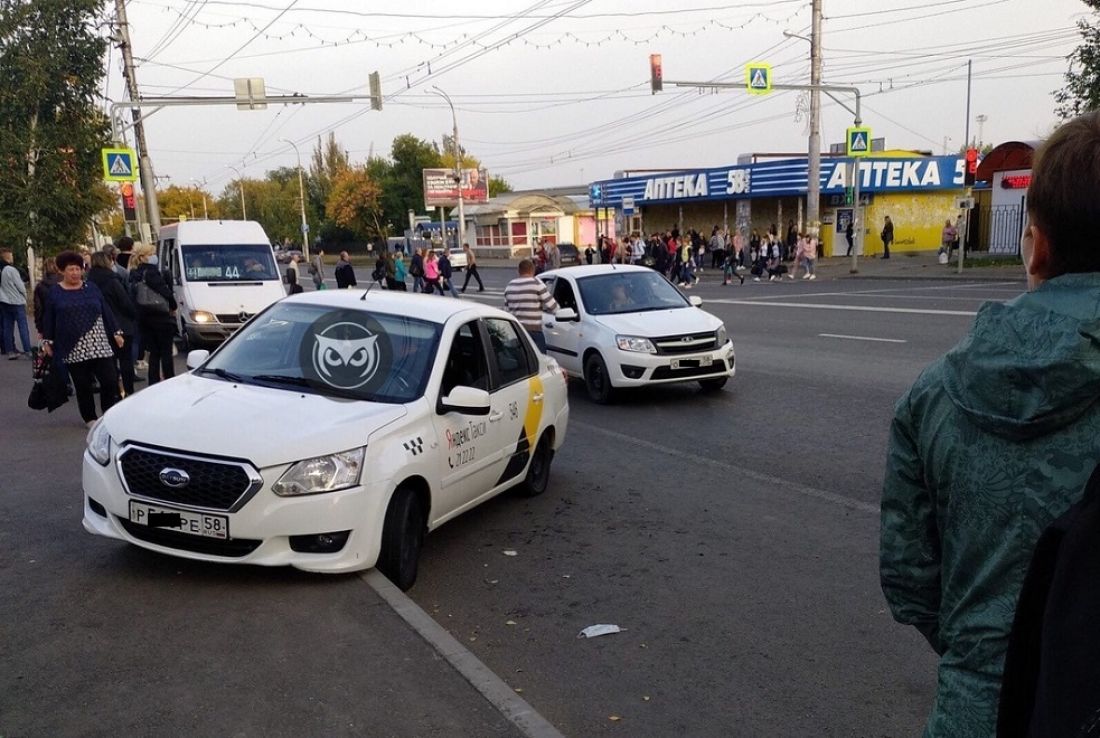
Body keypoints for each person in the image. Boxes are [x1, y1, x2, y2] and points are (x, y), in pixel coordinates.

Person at [880, 111, 1100, 738]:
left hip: (976, 711)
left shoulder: (931, 394)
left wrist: (984, 658)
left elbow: (908, 578)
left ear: (1038, 245)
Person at [41, 250, 125, 426]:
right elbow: (48, 317)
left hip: (99, 342)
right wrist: (47, 340)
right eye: (71, 269)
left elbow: (105, 310)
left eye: (78, 269)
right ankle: (90, 417)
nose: (75, 273)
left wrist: (116, 332)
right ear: (62, 271)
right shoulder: (55, 292)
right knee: (83, 384)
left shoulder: (91, 287)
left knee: (109, 380)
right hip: (72, 345)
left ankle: (107, 413)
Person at [87, 251, 138, 396]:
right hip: (121, 323)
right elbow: (125, 302)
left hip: (101, 327)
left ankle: (114, 390)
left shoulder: (89, 283)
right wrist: (133, 315)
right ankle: (128, 390)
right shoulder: (112, 280)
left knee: (109, 362)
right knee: (125, 360)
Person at [129, 245, 177, 385]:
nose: (154, 256)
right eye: (151, 254)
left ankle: (153, 381)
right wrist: (173, 306)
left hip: (144, 316)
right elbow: (164, 291)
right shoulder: (151, 272)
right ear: (143, 257)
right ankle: (169, 379)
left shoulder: (135, 273)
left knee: (153, 352)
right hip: (160, 316)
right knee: (166, 351)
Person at [503, 259, 558, 351]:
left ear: (519, 271)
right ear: (533, 270)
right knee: (540, 361)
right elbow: (553, 307)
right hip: (534, 332)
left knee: (520, 361)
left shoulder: (510, 286)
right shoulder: (537, 284)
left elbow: (506, 311)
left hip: (516, 331)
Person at [0, 247, 32, 359]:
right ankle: (28, 349)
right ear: (8, 257)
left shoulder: (2, 270)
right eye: (11, 255)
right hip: (16, 301)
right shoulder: (11, 270)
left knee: (8, 327)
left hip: (4, 301)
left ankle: (10, 351)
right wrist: (25, 296)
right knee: (23, 326)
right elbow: (20, 286)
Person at [33, 256, 61, 338]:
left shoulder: (40, 286)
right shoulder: (65, 282)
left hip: (48, 322)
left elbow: (38, 309)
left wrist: (40, 328)